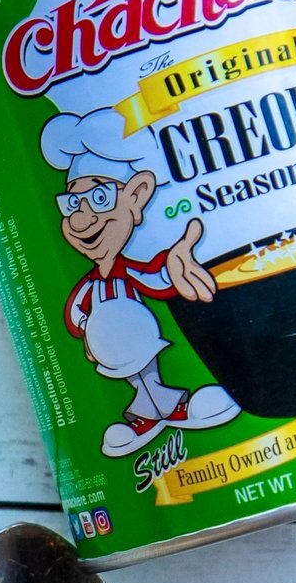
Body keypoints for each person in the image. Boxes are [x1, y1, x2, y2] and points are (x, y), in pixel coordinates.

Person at [41, 108, 240, 458]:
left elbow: (156, 277)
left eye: (99, 198)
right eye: (73, 203)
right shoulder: (88, 288)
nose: (83, 217)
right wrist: (90, 334)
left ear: (136, 196)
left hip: (141, 342)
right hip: (113, 352)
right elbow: (75, 316)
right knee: (135, 382)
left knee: (149, 375)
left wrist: (176, 262)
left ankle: (176, 409)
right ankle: (145, 422)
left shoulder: (129, 271)